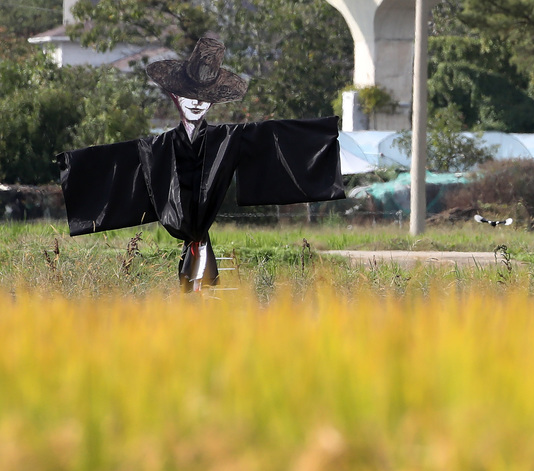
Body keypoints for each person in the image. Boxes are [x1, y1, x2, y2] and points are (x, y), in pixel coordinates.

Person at [58, 35, 344, 292]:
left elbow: (273, 138)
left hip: (202, 224)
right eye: (189, 96)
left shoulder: (228, 139)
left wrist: (323, 136)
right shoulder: (158, 147)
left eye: (203, 98)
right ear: (175, 97)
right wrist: (72, 167)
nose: (195, 103)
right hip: (185, 224)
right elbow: (117, 163)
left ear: (212, 103)